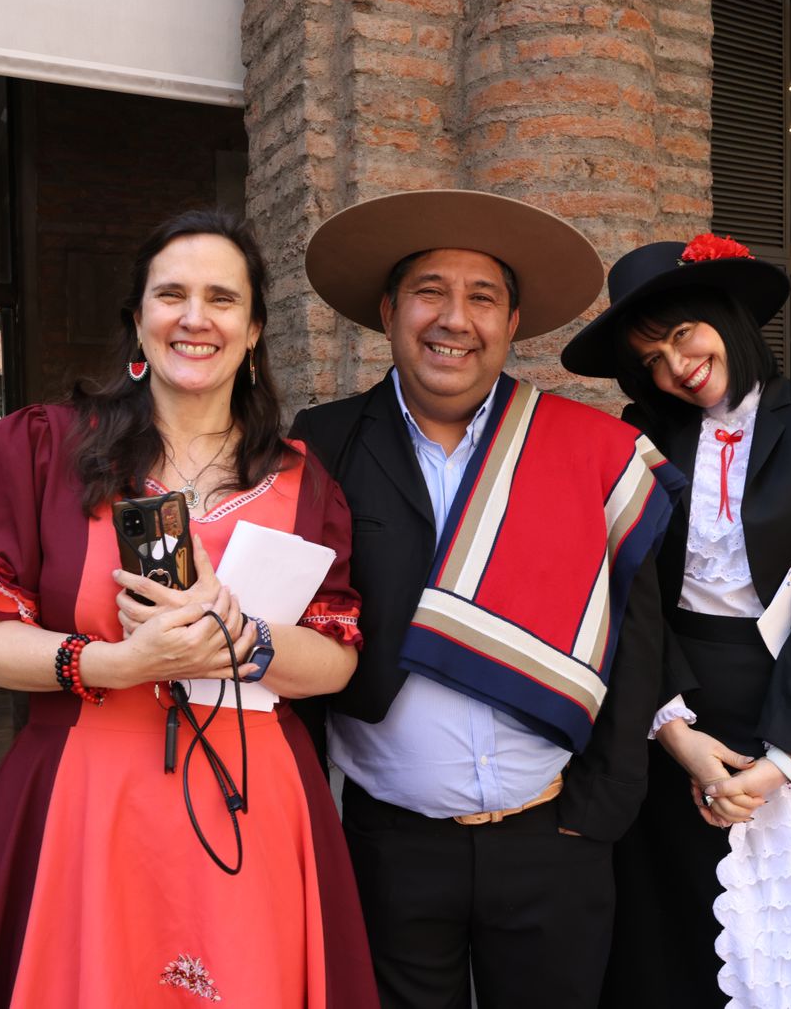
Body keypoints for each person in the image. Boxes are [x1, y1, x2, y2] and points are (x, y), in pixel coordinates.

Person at [0, 209, 379, 1008]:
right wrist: (116, 663)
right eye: (171, 295)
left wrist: (241, 638)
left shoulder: (306, 483)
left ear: (254, 330)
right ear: (138, 320)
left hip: (256, 803)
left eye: (222, 299)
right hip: (86, 798)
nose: (195, 318)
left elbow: (336, 659)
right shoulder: (43, 450)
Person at [290, 189, 683, 1009]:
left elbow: (635, 636)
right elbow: (299, 624)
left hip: (554, 838)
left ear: (512, 323)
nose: (454, 319)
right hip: (389, 846)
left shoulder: (587, 450)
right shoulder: (322, 443)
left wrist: (601, 809)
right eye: (430, 291)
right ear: (390, 310)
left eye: (482, 297)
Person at [561, 233, 791, 1007]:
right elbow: (631, 595)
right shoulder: (640, 436)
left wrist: (780, 760)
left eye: (683, 335)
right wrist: (674, 732)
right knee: (678, 949)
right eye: (652, 359)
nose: (676, 366)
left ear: (725, 315)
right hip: (673, 710)